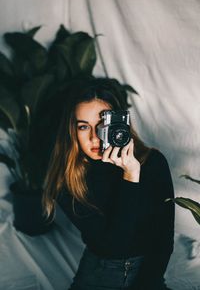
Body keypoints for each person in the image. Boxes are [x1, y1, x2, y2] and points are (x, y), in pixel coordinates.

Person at [43, 77, 175, 290]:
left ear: (121, 124)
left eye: (103, 125)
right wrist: (130, 176)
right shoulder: (68, 179)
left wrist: (148, 283)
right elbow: (115, 245)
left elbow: (163, 238)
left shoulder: (152, 163)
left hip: (148, 273)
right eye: (84, 127)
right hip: (100, 272)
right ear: (73, 131)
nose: (95, 137)